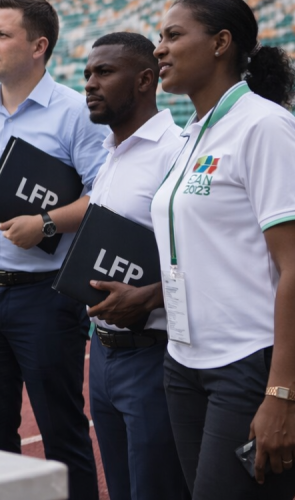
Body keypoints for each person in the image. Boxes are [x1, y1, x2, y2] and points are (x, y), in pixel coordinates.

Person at [151, 0, 295, 499]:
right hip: (189, 361)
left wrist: (282, 394)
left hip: (259, 362)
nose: (159, 49)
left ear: (220, 43)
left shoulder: (265, 127)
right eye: (159, 37)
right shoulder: (194, 132)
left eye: (173, 35)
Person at [0, 0, 107, 500]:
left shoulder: (75, 113)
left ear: (39, 46)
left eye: (1, 34)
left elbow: (104, 196)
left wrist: (45, 222)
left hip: (45, 297)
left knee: (62, 432)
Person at [79, 32, 190, 500]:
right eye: (87, 73)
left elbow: (206, 256)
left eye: (104, 72)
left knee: (157, 489)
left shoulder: (176, 151)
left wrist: (149, 298)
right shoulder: (111, 153)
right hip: (103, 352)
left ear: (146, 80)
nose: (89, 83)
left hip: (153, 352)